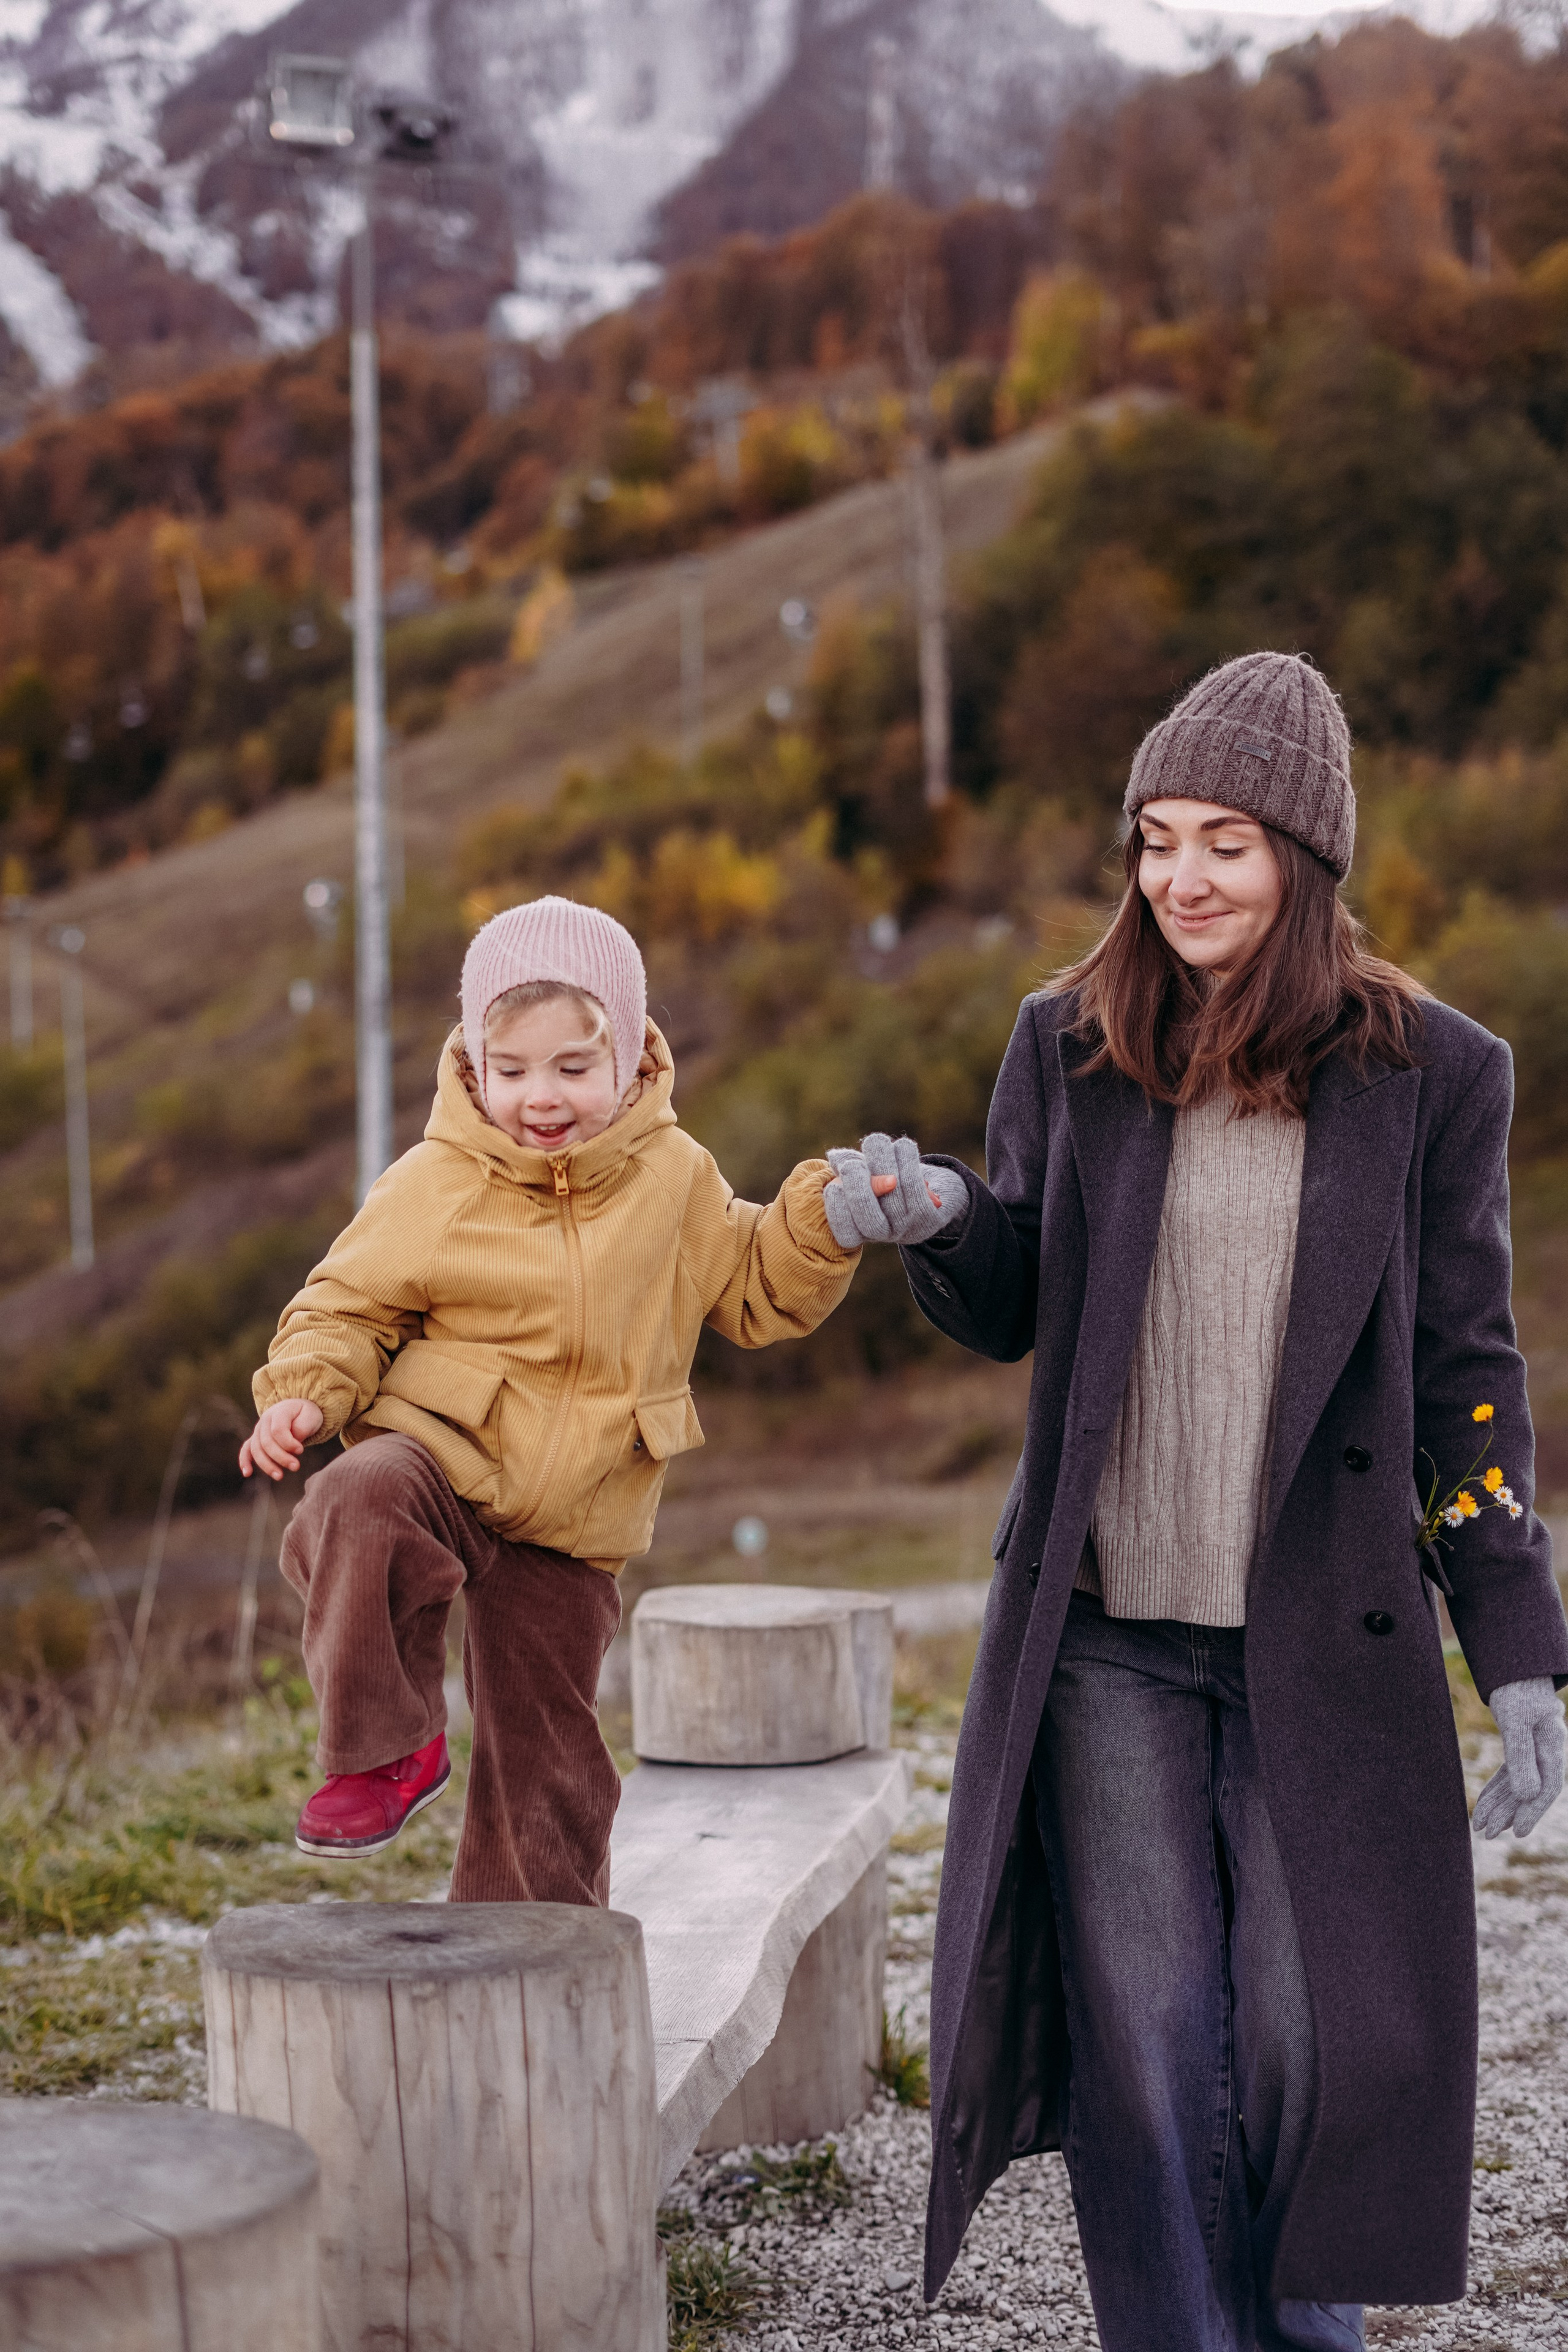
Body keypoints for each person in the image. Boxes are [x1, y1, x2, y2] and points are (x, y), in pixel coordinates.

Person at [823, 652, 1568, 2352]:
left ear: (1306, 859)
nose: (1181, 879)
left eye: (1223, 840)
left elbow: (1469, 1372)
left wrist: (1516, 1636)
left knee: (1320, 2048)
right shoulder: (1070, 1046)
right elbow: (1015, 1288)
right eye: (1156, 840)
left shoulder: (1437, 1074)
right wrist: (941, 1210)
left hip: (1331, 1637)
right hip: (1104, 1650)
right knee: (1150, 2045)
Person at [239, 895, 858, 1903]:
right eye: (512, 1070)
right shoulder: (434, 1182)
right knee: (355, 1501)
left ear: (631, 1061)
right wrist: (305, 1395)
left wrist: (819, 1227)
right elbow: (344, 1306)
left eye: (574, 1068)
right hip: (441, 1456)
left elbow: (751, 1285)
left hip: (574, 1517)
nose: (542, 1097)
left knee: (551, 1760)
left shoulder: (674, 1179)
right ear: (473, 1065)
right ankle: (385, 1749)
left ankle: (539, 1951)